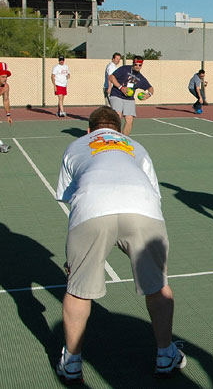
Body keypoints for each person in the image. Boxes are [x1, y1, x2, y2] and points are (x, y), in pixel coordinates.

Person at [54, 106, 185, 383]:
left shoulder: (76, 145)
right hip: (142, 207)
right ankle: (165, 354)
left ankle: (72, 362)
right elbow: (154, 192)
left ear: (89, 130)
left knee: (77, 290)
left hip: (92, 208)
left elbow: (69, 196)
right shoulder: (136, 146)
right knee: (158, 286)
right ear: (118, 128)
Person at [108, 56, 155, 136]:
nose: (137, 67)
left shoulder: (140, 78)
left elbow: (150, 88)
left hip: (129, 99)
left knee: (129, 119)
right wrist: (121, 88)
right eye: (136, 64)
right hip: (117, 95)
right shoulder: (124, 69)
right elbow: (111, 77)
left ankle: (124, 139)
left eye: (140, 65)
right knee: (117, 115)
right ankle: (114, 137)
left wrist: (148, 95)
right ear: (133, 63)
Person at [0, 62, 13, 153]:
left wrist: (8, 115)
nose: (5, 79)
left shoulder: (6, 87)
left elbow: (6, 100)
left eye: (6, 77)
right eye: (3, 77)